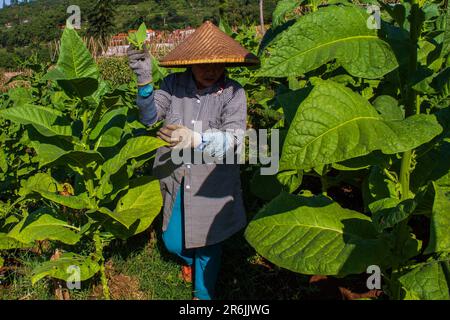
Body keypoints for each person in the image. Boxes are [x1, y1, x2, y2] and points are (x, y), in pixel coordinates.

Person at [127, 21, 259, 300]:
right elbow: (150, 117)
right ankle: (188, 261)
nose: (211, 71)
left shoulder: (234, 93)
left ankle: (202, 296)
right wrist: (144, 84)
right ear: (189, 63)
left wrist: (196, 138)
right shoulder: (173, 85)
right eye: (203, 64)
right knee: (173, 241)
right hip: (177, 176)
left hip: (212, 182)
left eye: (217, 64)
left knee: (209, 245)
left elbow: (235, 138)